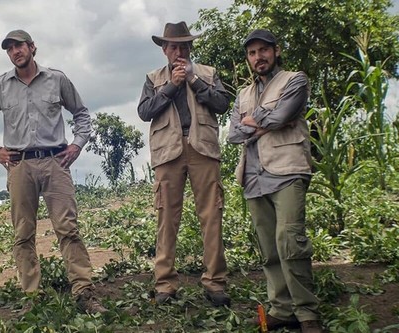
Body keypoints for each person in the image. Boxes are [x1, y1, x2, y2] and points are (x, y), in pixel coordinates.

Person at [0, 29, 106, 314]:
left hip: (55, 162)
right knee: (23, 233)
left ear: (32, 47)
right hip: (20, 166)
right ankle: (32, 297)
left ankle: (84, 292)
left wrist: (77, 145)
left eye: (19, 46)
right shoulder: (0, 86)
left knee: (68, 228)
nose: (14, 52)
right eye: (9, 49)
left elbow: (81, 113)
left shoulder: (56, 79)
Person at [227, 29, 323, 333]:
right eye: (252, 53)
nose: (259, 57)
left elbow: (285, 116)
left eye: (263, 51)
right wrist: (269, 120)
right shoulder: (243, 94)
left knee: (290, 240)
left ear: (276, 51)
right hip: (253, 177)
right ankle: (282, 308)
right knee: (269, 248)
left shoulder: (295, 80)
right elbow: (232, 135)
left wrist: (257, 121)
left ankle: (307, 313)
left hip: (287, 169)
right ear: (248, 59)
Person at [137, 21, 231, 307]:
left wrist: (191, 80)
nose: (178, 51)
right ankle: (165, 284)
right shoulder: (153, 78)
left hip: (203, 148)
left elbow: (222, 102)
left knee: (211, 215)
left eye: (183, 46)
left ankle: (215, 282)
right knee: (166, 218)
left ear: (190, 47)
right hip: (168, 152)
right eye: (173, 46)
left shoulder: (207, 73)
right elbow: (144, 112)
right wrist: (171, 86)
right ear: (164, 49)